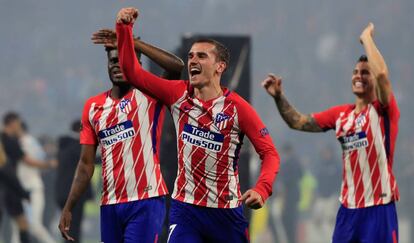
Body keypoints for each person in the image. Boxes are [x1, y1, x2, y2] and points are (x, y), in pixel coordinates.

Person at [115, 7, 280, 242]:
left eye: (202, 56)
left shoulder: (237, 108)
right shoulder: (178, 94)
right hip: (186, 210)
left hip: (226, 213)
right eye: (191, 55)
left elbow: (270, 153)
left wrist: (262, 189)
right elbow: (132, 72)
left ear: (220, 66)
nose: (193, 60)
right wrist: (124, 28)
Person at [262, 23, 399, 243]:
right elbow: (298, 122)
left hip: (378, 207)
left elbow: (382, 74)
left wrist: (366, 38)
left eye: (365, 73)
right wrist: (279, 97)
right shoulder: (340, 115)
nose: (358, 76)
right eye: (355, 72)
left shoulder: (383, 110)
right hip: (348, 211)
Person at [58, 32, 184, 242]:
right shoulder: (93, 107)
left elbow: (176, 67)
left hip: (147, 199)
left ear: (136, 63)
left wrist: (133, 43)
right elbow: (85, 164)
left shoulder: (150, 94)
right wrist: (69, 206)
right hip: (110, 204)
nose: (117, 65)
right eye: (113, 61)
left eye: (124, 60)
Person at [14, 121, 56, 243]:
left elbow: (31, 160)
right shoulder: (31, 142)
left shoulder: (25, 142)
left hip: (31, 189)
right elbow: (42, 158)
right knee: (21, 226)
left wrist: (46, 165)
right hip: (25, 189)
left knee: (33, 226)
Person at [55, 120, 93, 243]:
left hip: (61, 193)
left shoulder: (64, 146)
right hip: (74, 194)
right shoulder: (78, 147)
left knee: (67, 227)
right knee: (74, 228)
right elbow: (90, 160)